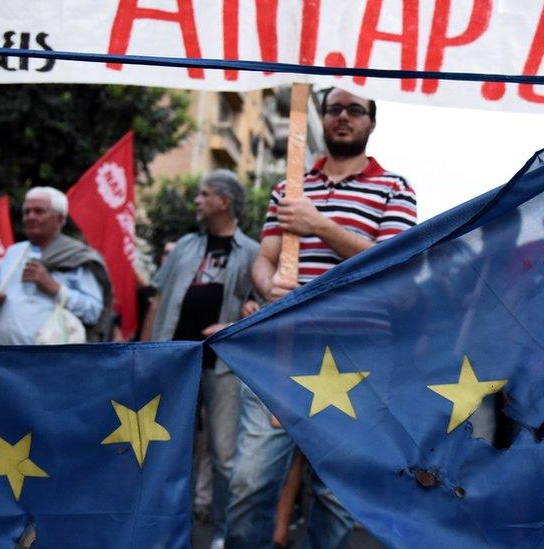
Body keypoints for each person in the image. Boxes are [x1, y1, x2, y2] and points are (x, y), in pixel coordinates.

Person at [225, 87, 417, 549]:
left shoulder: (395, 188)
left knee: (334, 496)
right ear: (323, 118)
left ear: (372, 122)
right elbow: (265, 258)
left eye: (355, 110)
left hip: (357, 360)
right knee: (249, 483)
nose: (343, 118)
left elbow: (397, 267)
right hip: (281, 355)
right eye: (334, 109)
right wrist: (268, 283)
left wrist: (320, 226)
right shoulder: (289, 188)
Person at [142, 170, 260, 548]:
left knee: (224, 456)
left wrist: (241, 317)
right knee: (163, 449)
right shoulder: (185, 247)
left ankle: (223, 533)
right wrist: (142, 353)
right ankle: (164, 529)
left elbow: (262, 308)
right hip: (171, 364)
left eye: (204, 194)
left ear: (224, 201)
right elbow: (157, 299)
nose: (197, 201)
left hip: (221, 367)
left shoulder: (252, 252)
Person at [0, 187, 112, 345]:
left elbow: (93, 312)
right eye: (27, 211)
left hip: (50, 363)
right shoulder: (13, 253)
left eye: (39, 211)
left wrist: (55, 288)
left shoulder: (77, 257)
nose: (30, 217)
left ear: (60, 219)